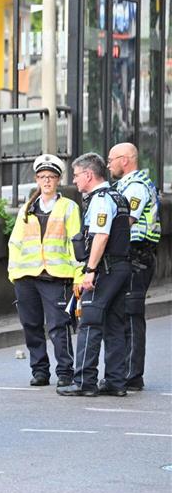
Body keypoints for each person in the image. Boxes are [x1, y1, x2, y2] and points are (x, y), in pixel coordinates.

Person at [57, 153, 132, 397]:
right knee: (114, 324)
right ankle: (115, 381)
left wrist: (90, 270)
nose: (75, 180)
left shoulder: (100, 199)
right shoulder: (118, 196)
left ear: (88, 175)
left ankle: (84, 381)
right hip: (121, 267)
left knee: (89, 322)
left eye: (76, 175)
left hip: (105, 269)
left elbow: (101, 236)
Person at [8, 154, 84, 387]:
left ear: (58, 180)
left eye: (51, 177)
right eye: (42, 177)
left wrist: (78, 275)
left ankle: (64, 371)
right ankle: (40, 370)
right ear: (37, 180)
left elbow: (76, 243)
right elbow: (15, 242)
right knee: (31, 325)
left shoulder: (68, 208)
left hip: (55, 276)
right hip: (26, 276)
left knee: (58, 326)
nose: (47, 181)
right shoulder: (28, 208)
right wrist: (13, 272)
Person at [107, 142, 162, 391]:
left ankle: (131, 375)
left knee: (130, 316)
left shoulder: (136, 187)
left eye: (111, 159)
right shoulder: (125, 186)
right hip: (132, 257)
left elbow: (125, 220)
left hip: (137, 257)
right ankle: (124, 373)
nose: (108, 164)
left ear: (125, 160)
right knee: (124, 314)